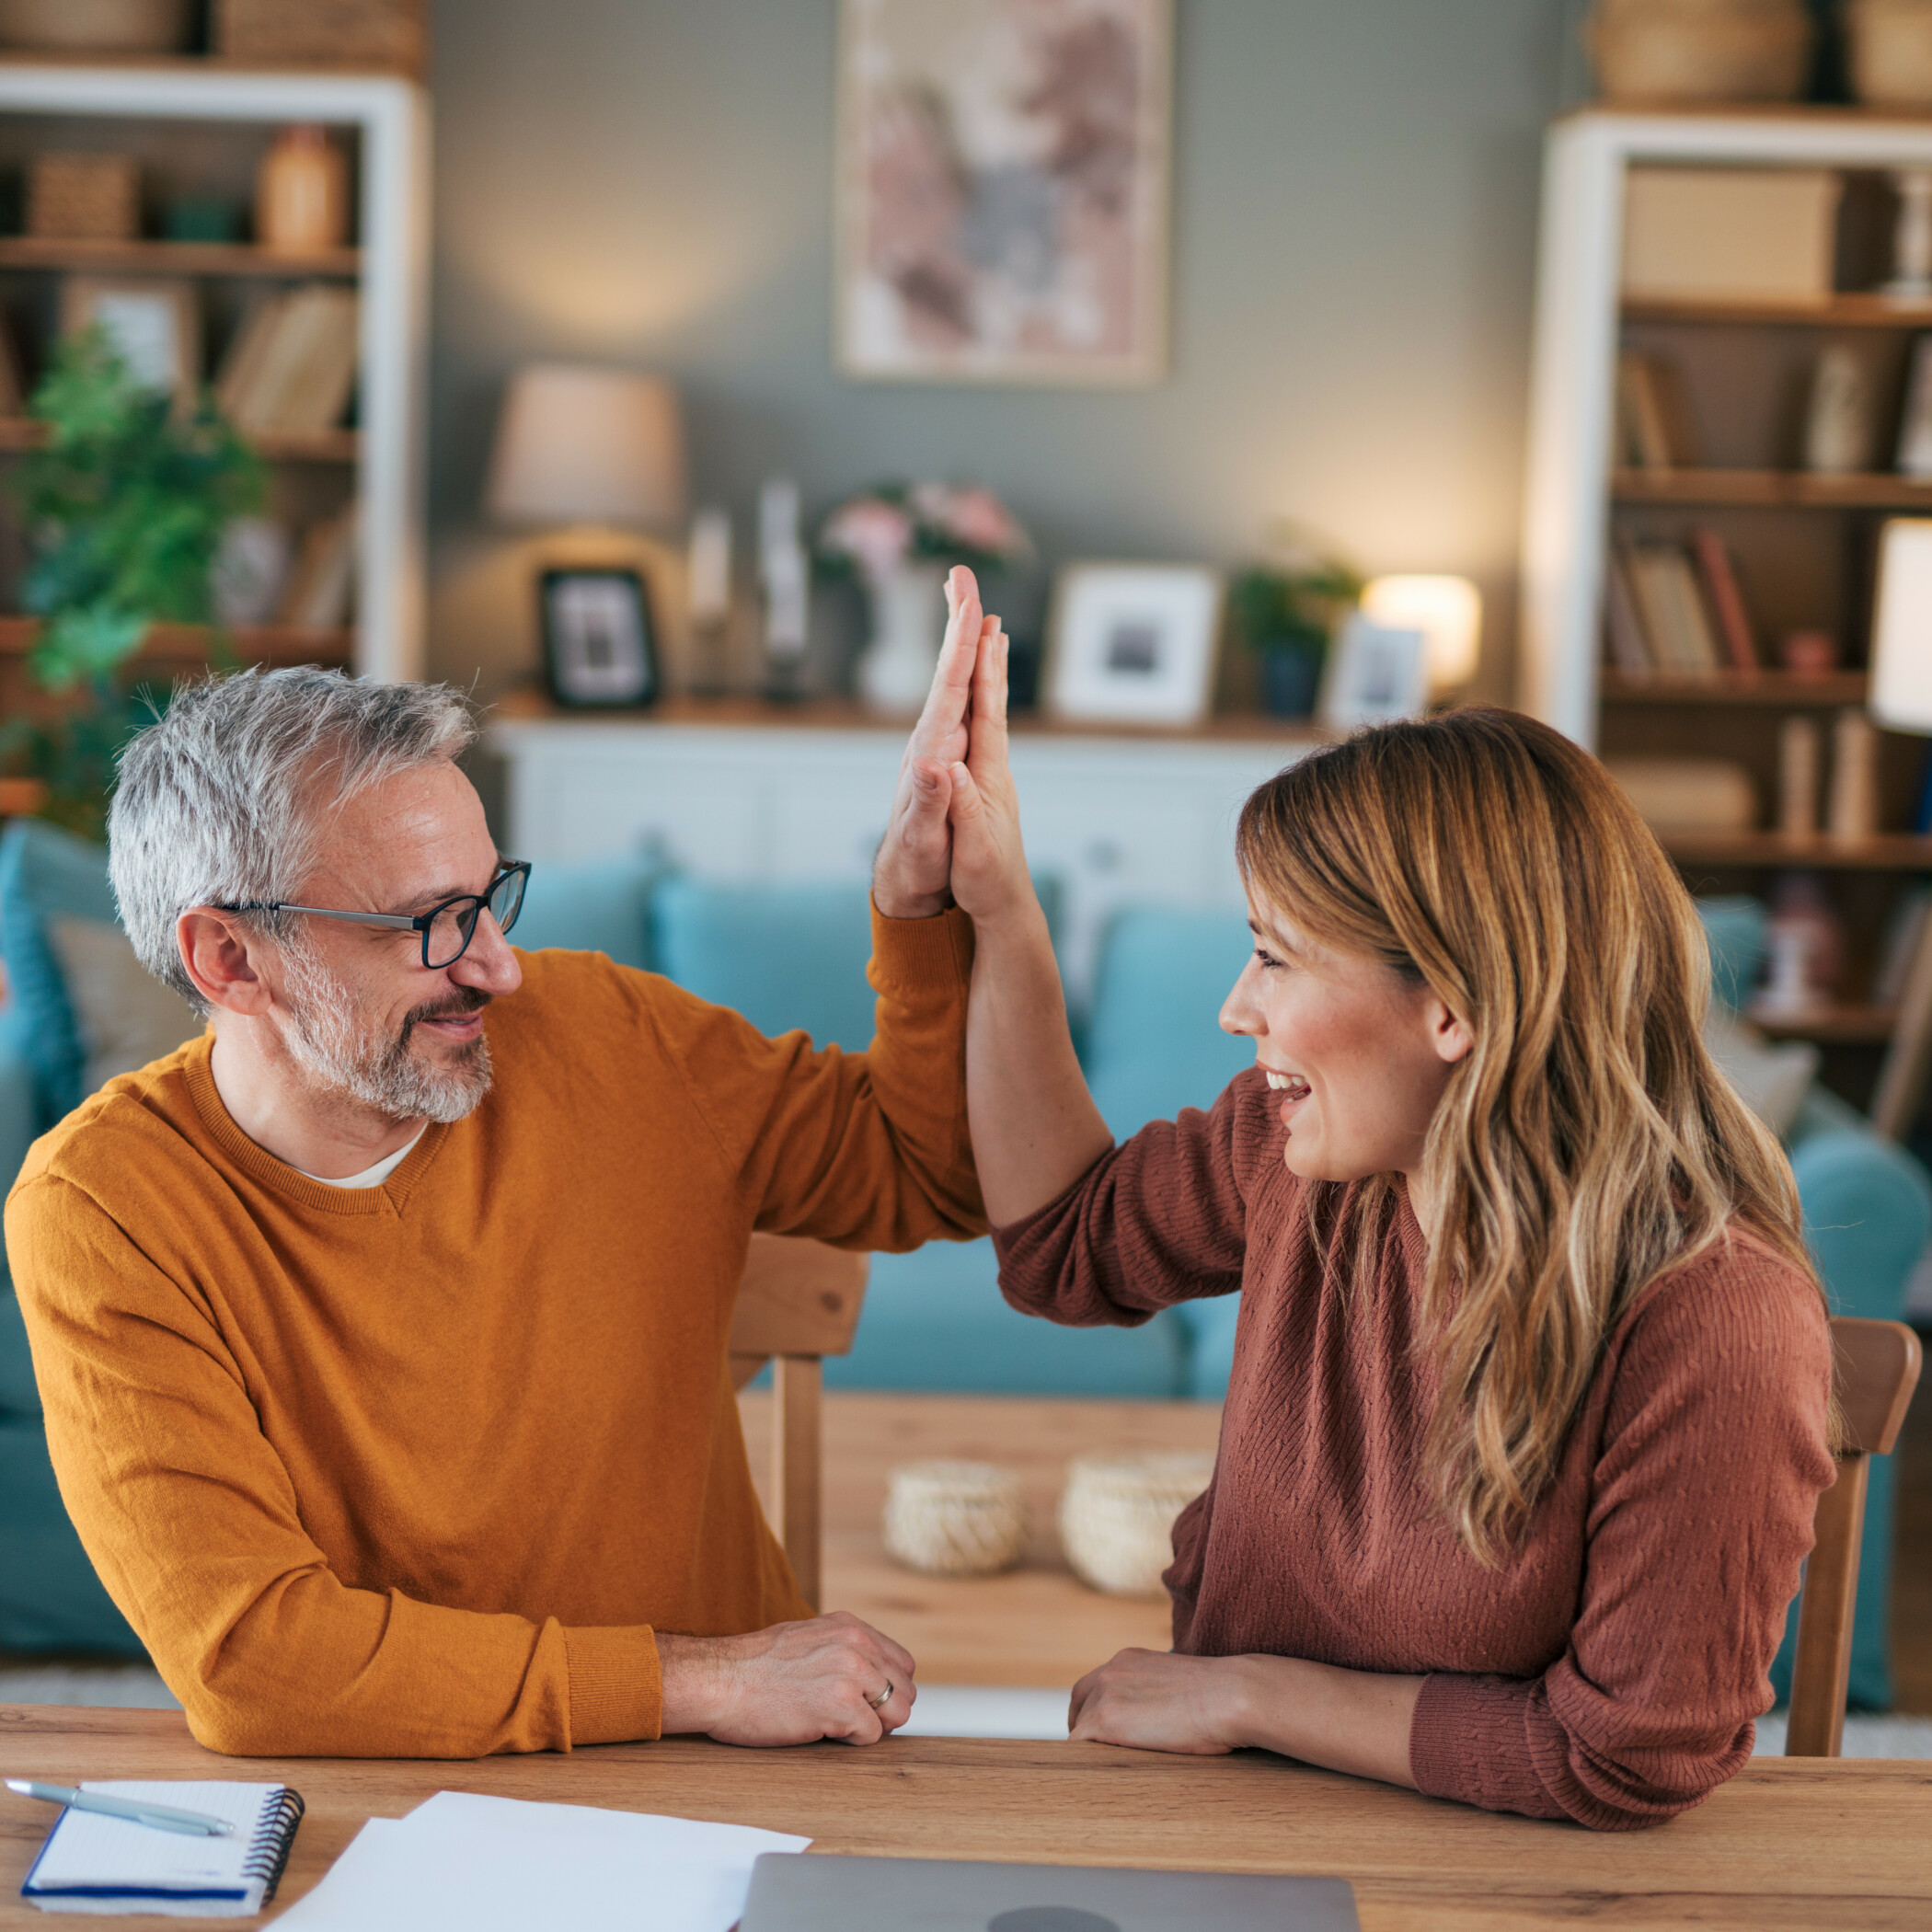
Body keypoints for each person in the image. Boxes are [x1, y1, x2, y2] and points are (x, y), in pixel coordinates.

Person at [6, 570, 1015, 1760]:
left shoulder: (609, 1032)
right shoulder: (105, 1206)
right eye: (432, 922)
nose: (498, 967)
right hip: (416, 1800)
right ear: (229, 959)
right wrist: (692, 1680)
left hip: (748, 1781)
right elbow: (256, 1662)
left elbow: (936, 1170)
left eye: (493, 899)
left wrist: (921, 910)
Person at [949, 691, 1835, 1832]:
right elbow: (1065, 1248)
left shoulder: (1718, 1319)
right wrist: (1001, 907)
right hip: (1233, 1828)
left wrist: (1250, 1696)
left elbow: (1625, 1760)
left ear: (1452, 1007)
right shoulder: (1298, 1155)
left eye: (1275, 957)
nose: (1235, 1008)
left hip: (1516, 1876)